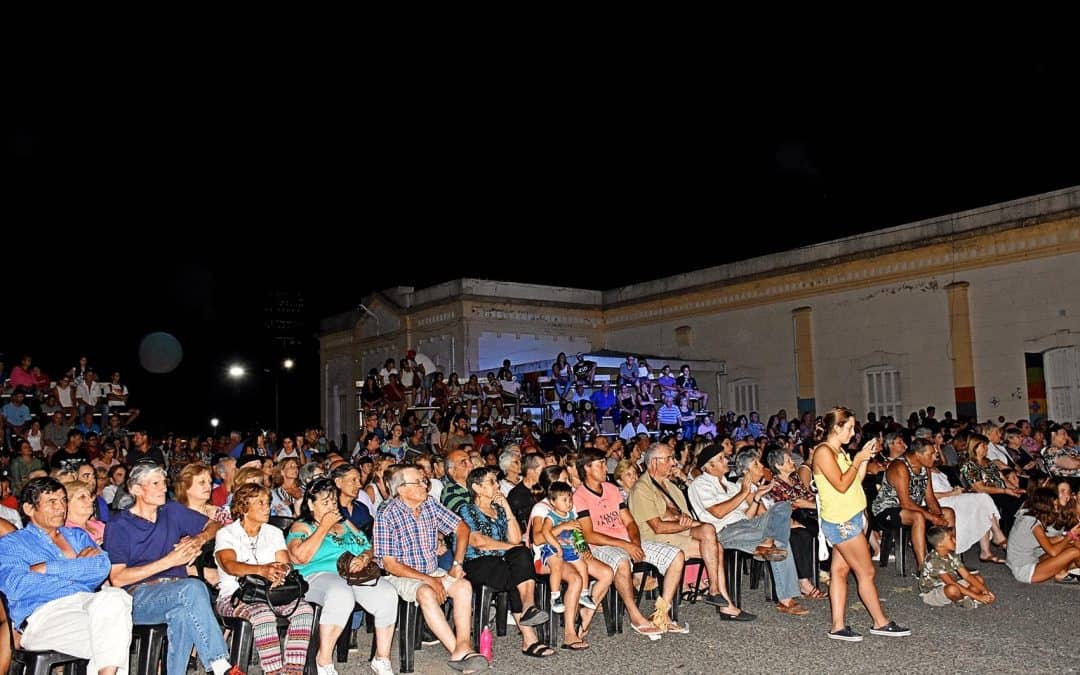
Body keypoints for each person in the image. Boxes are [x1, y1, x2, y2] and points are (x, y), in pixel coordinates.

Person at [104, 463, 237, 675]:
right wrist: (170, 561)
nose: (163, 488)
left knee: (183, 613)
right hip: (138, 598)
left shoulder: (171, 511)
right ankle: (221, 667)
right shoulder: (119, 524)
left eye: (163, 483)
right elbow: (117, 578)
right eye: (155, 483)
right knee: (192, 589)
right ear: (136, 489)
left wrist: (198, 539)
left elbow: (213, 525)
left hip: (175, 593)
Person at [0, 477, 133, 675]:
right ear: (29, 509)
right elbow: (17, 585)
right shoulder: (13, 544)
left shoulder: (76, 536)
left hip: (85, 608)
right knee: (115, 637)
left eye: (63, 500)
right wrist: (78, 568)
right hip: (42, 617)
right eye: (52, 502)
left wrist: (47, 568)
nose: (61, 507)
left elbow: (101, 566)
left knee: (116, 598)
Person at [373, 465, 486, 672]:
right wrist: (428, 580)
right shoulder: (386, 514)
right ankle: (460, 652)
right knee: (426, 592)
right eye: (419, 482)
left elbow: (462, 527)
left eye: (424, 480)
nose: (426, 485)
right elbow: (390, 564)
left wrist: (457, 563)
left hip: (432, 571)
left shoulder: (429, 504)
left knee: (463, 587)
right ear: (402, 489)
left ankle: (463, 647)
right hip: (401, 576)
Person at [812, 406, 909, 641]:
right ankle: (880, 621)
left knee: (840, 571)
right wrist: (857, 460)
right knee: (865, 571)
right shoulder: (824, 452)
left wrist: (863, 459)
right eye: (849, 427)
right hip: (841, 521)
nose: (853, 433)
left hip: (850, 517)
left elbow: (855, 480)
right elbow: (841, 485)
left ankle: (837, 626)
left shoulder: (840, 452)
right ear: (836, 428)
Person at [287, 478, 398, 675]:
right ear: (311, 504)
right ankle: (324, 660)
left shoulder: (345, 524)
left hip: (352, 575)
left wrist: (364, 557)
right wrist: (323, 527)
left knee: (387, 593)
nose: (331, 507)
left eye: (333, 502)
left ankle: (382, 658)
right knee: (340, 592)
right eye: (325, 502)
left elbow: (368, 546)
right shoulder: (301, 526)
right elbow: (299, 558)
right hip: (315, 576)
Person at [216, 484, 315, 675]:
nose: (266, 507)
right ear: (244, 507)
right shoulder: (226, 534)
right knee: (263, 615)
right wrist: (262, 570)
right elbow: (230, 565)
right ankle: (274, 672)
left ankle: (292, 672)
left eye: (268, 502)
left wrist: (280, 574)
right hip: (235, 596)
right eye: (260, 502)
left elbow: (286, 564)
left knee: (304, 610)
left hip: (272, 594)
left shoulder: (274, 533)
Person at [458, 467, 553, 657]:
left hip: (502, 560)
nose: (497, 485)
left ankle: (528, 608)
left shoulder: (499, 509)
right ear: (477, 487)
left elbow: (516, 538)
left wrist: (507, 507)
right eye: (492, 482)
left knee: (521, 555)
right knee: (516, 568)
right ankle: (529, 638)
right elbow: (478, 542)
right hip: (478, 562)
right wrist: (510, 548)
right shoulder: (467, 510)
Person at [537, 481, 595, 615]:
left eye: (570, 499)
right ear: (553, 502)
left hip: (568, 549)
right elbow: (546, 533)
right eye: (564, 500)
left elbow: (576, 533)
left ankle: (584, 593)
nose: (569, 503)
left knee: (583, 565)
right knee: (556, 566)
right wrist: (557, 547)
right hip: (552, 548)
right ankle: (555, 596)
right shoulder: (551, 517)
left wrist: (579, 547)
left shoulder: (571, 516)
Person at [1006, 486, 1080, 584]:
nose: (1056, 508)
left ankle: (1065, 571)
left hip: (1030, 561)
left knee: (1071, 544)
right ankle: (1062, 574)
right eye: (1054, 505)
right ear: (1045, 506)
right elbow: (1052, 552)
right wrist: (1069, 536)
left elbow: (1047, 541)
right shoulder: (1032, 522)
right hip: (1025, 571)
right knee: (1074, 552)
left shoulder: (1028, 516)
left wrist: (1067, 536)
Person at [918, 525, 995, 608]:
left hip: (951, 584)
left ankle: (967, 598)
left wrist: (985, 591)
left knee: (978, 579)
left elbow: (967, 575)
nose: (955, 540)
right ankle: (962, 600)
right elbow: (951, 583)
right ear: (940, 544)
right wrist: (978, 596)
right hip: (933, 592)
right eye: (951, 538)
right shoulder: (933, 560)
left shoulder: (952, 554)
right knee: (952, 589)